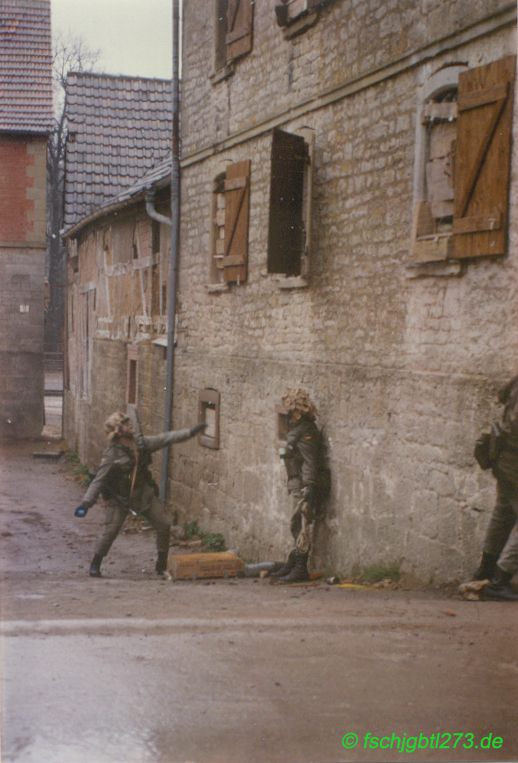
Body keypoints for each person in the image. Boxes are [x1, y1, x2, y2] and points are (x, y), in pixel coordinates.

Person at [73, 411, 206, 578]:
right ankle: (96, 563)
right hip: (120, 498)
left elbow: (165, 438)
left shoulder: (141, 444)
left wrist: (190, 432)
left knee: (164, 524)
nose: (131, 426)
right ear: (118, 430)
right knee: (111, 530)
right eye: (126, 424)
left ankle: (161, 564)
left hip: (143, 493)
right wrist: (86, 503)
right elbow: (98, 481)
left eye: (130, 423)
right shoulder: (111, 454)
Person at [270, 388, 330, 583]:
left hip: (306, 485)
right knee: (296, 524)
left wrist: (309, 487)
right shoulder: (298, 430)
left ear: (297, 413)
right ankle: (294, 559)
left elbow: (310, 462)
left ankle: (300, 567)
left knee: (303, 524)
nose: (288, 416)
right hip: (297, 483)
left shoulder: (306, 432)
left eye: (291, 412)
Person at [471, 374, 518, 601]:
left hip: (506, 458)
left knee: (504, 514)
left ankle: (486, 571)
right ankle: (499, 581)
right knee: (504, 514)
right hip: (514, 460)